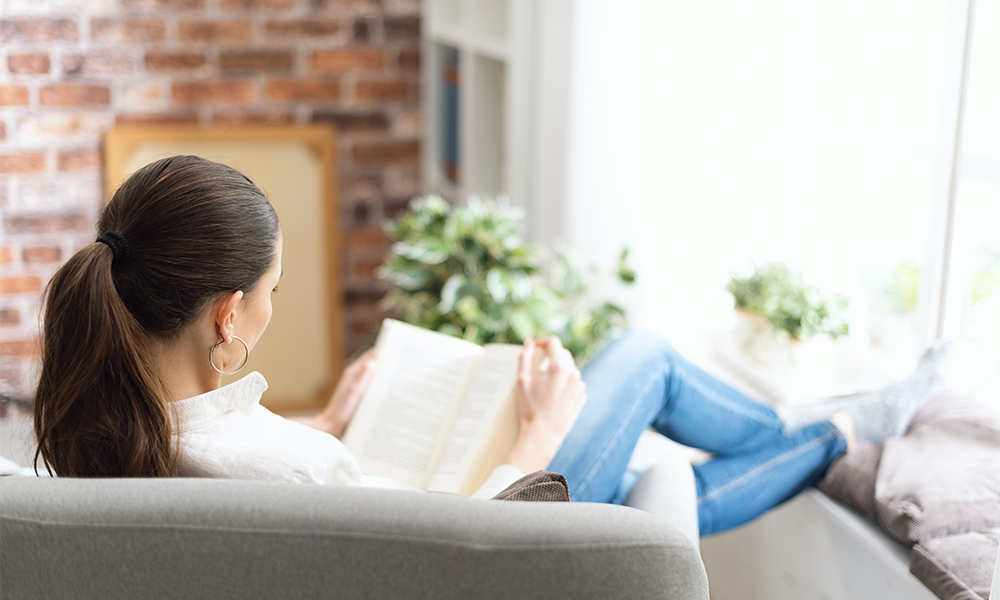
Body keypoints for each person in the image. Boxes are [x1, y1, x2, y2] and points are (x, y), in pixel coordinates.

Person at [32, 156, 942, 536]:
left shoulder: (94, 435)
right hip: (501, 530)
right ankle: (827, 430)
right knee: (643, 358)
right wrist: (540, 437)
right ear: (227, 315)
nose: (270, 310)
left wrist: (327, 418)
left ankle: (832, 433)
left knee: (641, 490)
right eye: (271, 295)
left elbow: (219, 457)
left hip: (422, 514)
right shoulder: (289, 471)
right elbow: (463, 549)